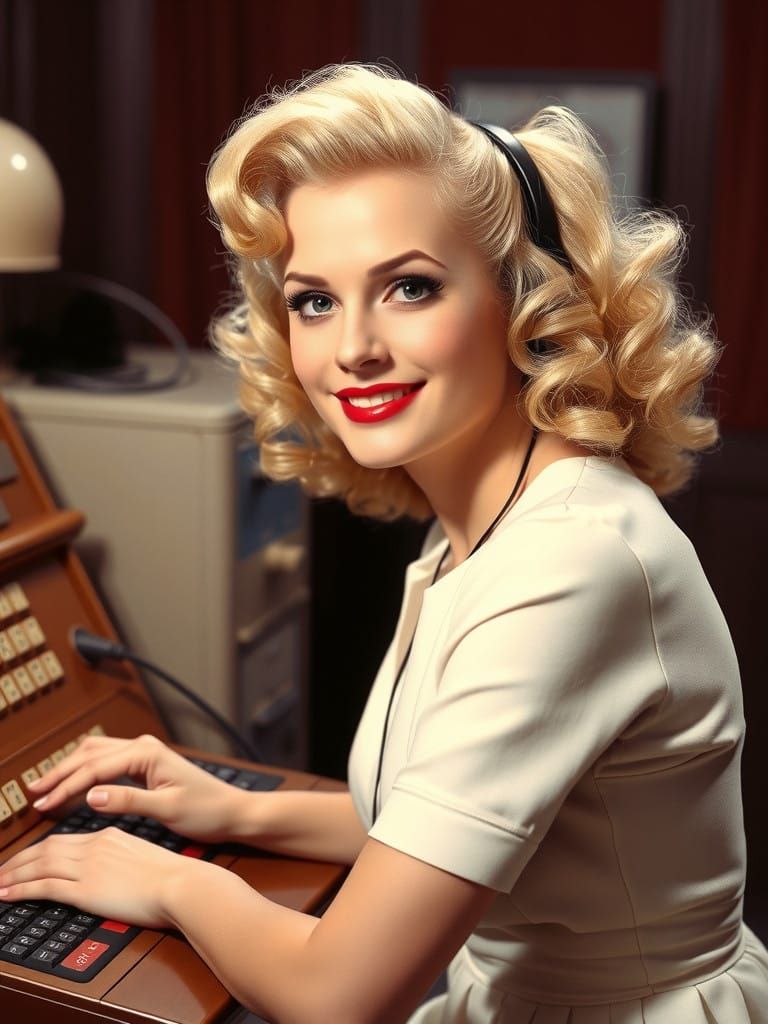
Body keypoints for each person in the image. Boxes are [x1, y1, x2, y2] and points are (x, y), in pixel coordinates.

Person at [1, 62, 767, 1023]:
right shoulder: (486, 525)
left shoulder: (572, 564)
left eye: (408, 287)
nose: (352, 346)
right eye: (314, 300)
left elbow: (340, 994)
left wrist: (168, 881)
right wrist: (234, 809)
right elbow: (448, 820)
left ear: (523, 300)